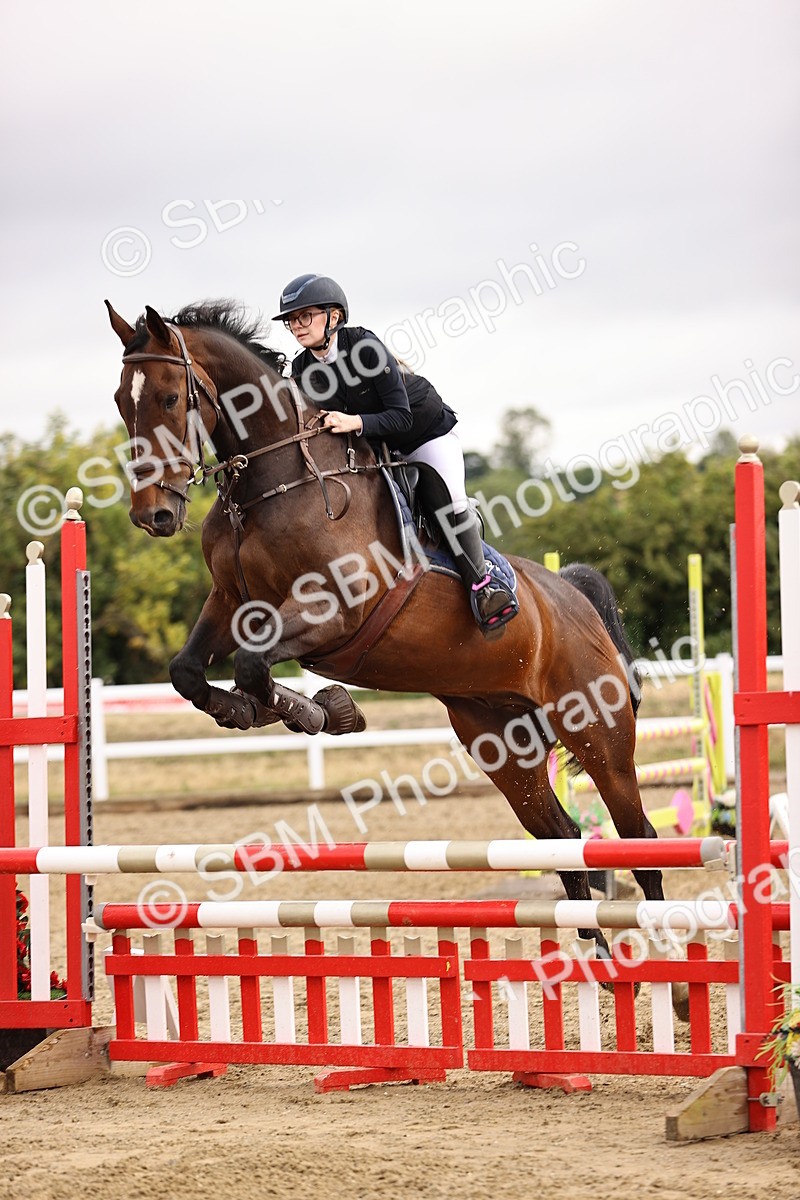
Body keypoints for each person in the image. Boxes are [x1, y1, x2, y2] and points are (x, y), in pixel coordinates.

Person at [273, 273, 518, 631]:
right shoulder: (302, 369)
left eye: (304, 316)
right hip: (377, 449)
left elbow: (401, 417)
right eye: (292, 320)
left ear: (334, 316)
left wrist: (354, 421)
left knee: (450, 503)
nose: (296, 326)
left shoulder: (365, 349)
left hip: (424, 433)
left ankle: (483, 586)